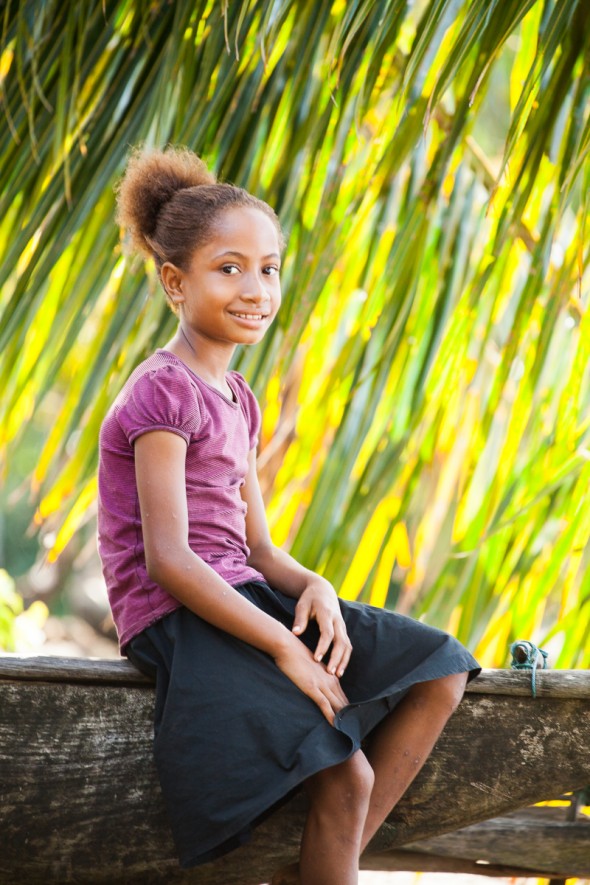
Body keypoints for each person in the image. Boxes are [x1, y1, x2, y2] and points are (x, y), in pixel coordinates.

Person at [97, 145, 480, 885]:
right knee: (348, 777)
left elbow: (260, 548)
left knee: (441, 668)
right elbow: (170, 558)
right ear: (175, 282)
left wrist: (316, 587)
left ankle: (319, 866)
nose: (256, 287)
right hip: (176, 616)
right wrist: (283, 646)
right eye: (229, 267)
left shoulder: (240, 400)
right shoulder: (161, 393)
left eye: (269, 268)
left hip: (245, 596)